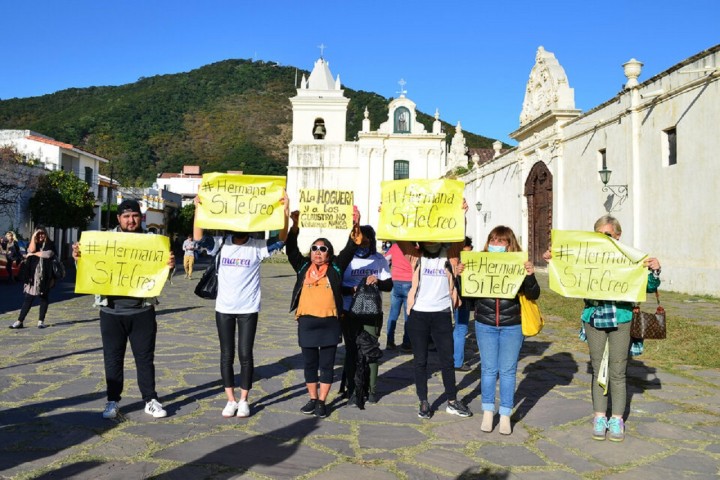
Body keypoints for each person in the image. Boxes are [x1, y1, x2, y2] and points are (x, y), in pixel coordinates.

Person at [543, 215, 661, 442]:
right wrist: (554, 260)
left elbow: (647, 285)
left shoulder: (630, 258)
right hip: (594, 317)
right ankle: (599, 416)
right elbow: (569, 275)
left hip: (621, 318)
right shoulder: (587, 256)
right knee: (598, 370)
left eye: (607, 235)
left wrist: (654, 270)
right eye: (598, 235)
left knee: (617, 371)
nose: (603, 239)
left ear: (618, 236)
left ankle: (616, 419)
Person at [72, 199, 175, 419]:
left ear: (141, 217)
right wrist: (78, 259)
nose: (131, 220)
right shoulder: (103, 240)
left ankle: (150, 400)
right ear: (119, 218)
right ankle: (112, 401)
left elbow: (161, 276)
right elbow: (87, 269)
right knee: (112, 358)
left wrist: (169, 266)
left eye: (135, 216)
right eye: (126, 216)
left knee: (145, 358)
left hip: (142, 311)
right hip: (111, 312)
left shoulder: (153, 242)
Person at [193, 194, 288, 418]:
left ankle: (244, 399)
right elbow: (198, 238)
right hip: (224, 308)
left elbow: (281, 239)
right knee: (226, 354)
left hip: (248, 308)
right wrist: (198, 208)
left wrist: (285, 211)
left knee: (245, 354)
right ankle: (230, 399)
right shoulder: (220, 244)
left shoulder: (257, 246)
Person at [287, 209, 363, 419]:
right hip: (307, 323)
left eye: (322, 249)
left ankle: (322, 401)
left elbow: (351, 246)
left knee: (326, 365)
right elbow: (291, 249)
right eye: (314, 248)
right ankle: (312, 398)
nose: (318, 252)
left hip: (330, 323)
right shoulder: (303, 267)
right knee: (310, 364)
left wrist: (355, 224)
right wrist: (294, 226)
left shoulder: (336, 268)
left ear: (329, 253)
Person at [469, 226, 539, 435]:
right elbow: (469, 297)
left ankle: (506, 413)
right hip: (485, 323)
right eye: (493, 240)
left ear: (510, 244)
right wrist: (463, 276)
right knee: (489, 370)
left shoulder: (518, 264)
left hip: (512, 325)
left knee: (508, 371)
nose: (496, 245)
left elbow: (534, 294)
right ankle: (488, 412)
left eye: (501, 241)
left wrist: (530, 275)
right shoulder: (480, 262)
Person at [340, 225, 392, 406]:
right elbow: (336, 285)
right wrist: (352, 289)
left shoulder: (378, 259)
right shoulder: (347, 259)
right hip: (349, 310)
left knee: (370, 351)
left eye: (366, 240)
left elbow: (389, 285)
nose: (363, 243)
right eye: (359, 239)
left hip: (371, 312)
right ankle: (352, 387)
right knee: (352, 350)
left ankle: (372, 389)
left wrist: (377, 281)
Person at [9, 227, 56, 329]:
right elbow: (31, 249)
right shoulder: (34, 243)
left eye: (42, 234)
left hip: (46, 276)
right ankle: (19, 321)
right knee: (28, 298)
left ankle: (40, 321)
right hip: (32, 276)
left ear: (46, 234)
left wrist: (32, 254)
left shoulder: (50, 244)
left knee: (44, 298)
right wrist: (34, 237)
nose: (40, 236)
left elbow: (47, 254)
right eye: (38, 234)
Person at [384, 241, 414, 352]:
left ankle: (390, 341)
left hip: (395, 281)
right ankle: (406, 343)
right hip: (410, 281)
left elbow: (385, 259)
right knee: (408, 315)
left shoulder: (395, 246)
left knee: (393, 313)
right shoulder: (415, 247)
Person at [453, 236, 474, 372]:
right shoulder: (465, 261)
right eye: (469, 246)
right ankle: (457, 361)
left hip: (452, 297)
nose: (471, 249)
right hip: (462, 298)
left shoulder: (449, 259)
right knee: (460, 328)